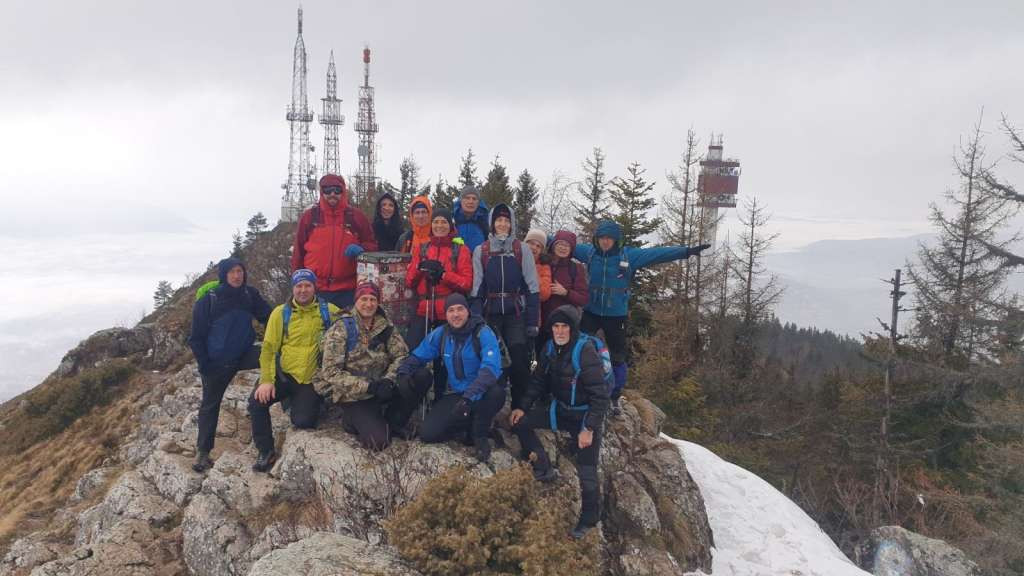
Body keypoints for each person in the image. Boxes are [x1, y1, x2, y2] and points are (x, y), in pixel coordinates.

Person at [575, 219, 709, 414]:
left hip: (616, 316)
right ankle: (578, 387)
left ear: (616, 240)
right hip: (591, 312)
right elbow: (564, 243)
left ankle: (613, 397)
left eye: (609, 238)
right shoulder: (589, 253)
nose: (605, 242)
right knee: (580, 348)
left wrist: (686, 252)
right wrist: (540, 239)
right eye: (602, 238)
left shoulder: (629, 256)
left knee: (618, 357)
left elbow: (657, 254)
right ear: (597, 239)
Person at [510, 305, 609, 539]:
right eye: (556, 326)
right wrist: (522, 408)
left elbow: (600, 396)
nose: (560, 331)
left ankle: (589, 520)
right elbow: (537, 382)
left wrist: (589, 429)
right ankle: (543, 467)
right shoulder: (549, 349)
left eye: (565, 326)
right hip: (561, 411)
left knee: (587, 471)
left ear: (572, 329)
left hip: (584, 417)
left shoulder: (584, 351)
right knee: (520, 424)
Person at [314, 282, 431, 450]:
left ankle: (394, 421)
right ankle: (350, 420)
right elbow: (331, 372)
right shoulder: (342, 327)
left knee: (420, 376)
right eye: (364, 299)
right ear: (356, 301)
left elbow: (401, 355)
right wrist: (368, 387)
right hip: (355, 394)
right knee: (378, 442)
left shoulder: (385, 326)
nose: (368, 304)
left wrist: (388, 380)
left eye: (373, 299)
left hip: (382, 384)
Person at [248, 269, 342, 471]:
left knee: (303, 421)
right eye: (299, 286)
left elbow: (348, 331)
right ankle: (266, 451)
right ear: (293, 288)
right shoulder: (281, 313)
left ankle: (305, 402)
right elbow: (268, 349)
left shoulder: (330, 311)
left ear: (314, 287)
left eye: (308, 285)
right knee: (256, 402)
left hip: (311, 379)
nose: (303, 290)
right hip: (285, 375)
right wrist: (266, 380)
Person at [397, 294, 504, 462]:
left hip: (482, 393)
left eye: (460, 309)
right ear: (446, 315)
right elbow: (419, 355)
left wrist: (469, 398)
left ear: (468, 311)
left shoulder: (483, 332)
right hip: (457, 394)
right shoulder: (442, 334)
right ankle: (466, 425)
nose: (456, 314)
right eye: (451, 310)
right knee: (428, 434)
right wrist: (403, 372)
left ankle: (480, 435)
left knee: (496, 393)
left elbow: (490, 370)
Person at [189, 257, 272, 473]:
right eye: (232, 272)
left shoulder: (249, 294)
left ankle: (287, 399)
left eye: (240, 271)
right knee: (210, 405)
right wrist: (204, 364)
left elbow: (269, 317)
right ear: (224, 275)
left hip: (244, 354)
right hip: (216, 363)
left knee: (279, 356)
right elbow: (196, 337)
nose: (237, 275)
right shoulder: (209, 300)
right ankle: (203, 452)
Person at [470, 203, 540, 409]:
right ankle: (491, 410)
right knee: (494, 362)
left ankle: (519, 409)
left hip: (515, 313)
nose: (502, 224)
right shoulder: (481, 250)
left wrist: (532, 321)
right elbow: (477, 287)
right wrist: (476, 319)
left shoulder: (521, 249)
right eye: (498, 220)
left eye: (506, 221)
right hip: (490, 313)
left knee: (519, 361)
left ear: (512, 224)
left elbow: (532, 286)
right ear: (492, 224)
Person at [291, 173, 377, 308]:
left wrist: (362, 249)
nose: (332, 194)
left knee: (347, 328)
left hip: (348, 289)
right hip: (316, 289)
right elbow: (298, 252)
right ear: (321, 192)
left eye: (337, 190)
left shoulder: (356, 216)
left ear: (343, 191)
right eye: (327, 190)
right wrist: (297, 282)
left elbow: (372, 245)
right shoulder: (309, 217)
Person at [405, 208, 473, 349]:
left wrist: (444, 275)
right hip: (424, 308)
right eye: (436, 222)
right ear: (431, 225)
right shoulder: (422, 249)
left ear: (450, 226)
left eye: (444, 222)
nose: (439, 226)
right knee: (414, 350)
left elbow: (466, 283)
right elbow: (409, 282)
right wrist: (420, 267)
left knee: (445, 356)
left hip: (449, 310)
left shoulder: (460, 250)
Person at [542, 230, 589, 323]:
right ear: (553, 245)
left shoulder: (576, 268)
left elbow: (583, 299)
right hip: (541, 319)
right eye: (560, 244)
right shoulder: (543, 263)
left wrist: (565, 293)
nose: (563, 248)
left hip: (564, 322)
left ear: (571, 249)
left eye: (567, 245)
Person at [524, 228, 553, 354]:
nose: (534, 248)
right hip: (511, 316)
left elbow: (544, 294)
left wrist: (531, 269)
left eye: (538, 246)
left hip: (532, 319)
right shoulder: (512, 259)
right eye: (531, 243)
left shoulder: (544, 267)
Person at [452, 185, 489, 253]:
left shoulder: (486, 221)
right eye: (467, 198)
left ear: (478, 202)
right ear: (461, 200)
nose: (471, 201)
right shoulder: (452, 220)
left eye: (474, 199)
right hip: (457, 260)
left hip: (479, 261)